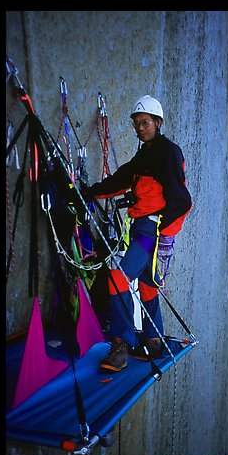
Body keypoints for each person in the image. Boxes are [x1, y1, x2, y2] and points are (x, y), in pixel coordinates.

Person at [82, 95, 192, 372]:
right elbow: (123, 178)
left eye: (145, 122)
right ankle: (153, 342)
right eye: (136, 123)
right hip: (144, 227)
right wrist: (91, 191)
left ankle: (121, 345)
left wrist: (164, 234)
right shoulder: (146, 153)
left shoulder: (168, 151)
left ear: (158, 123)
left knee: (119, 277)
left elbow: (182, 200)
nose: (140, 128)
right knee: (145, 286)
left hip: (152, 230)